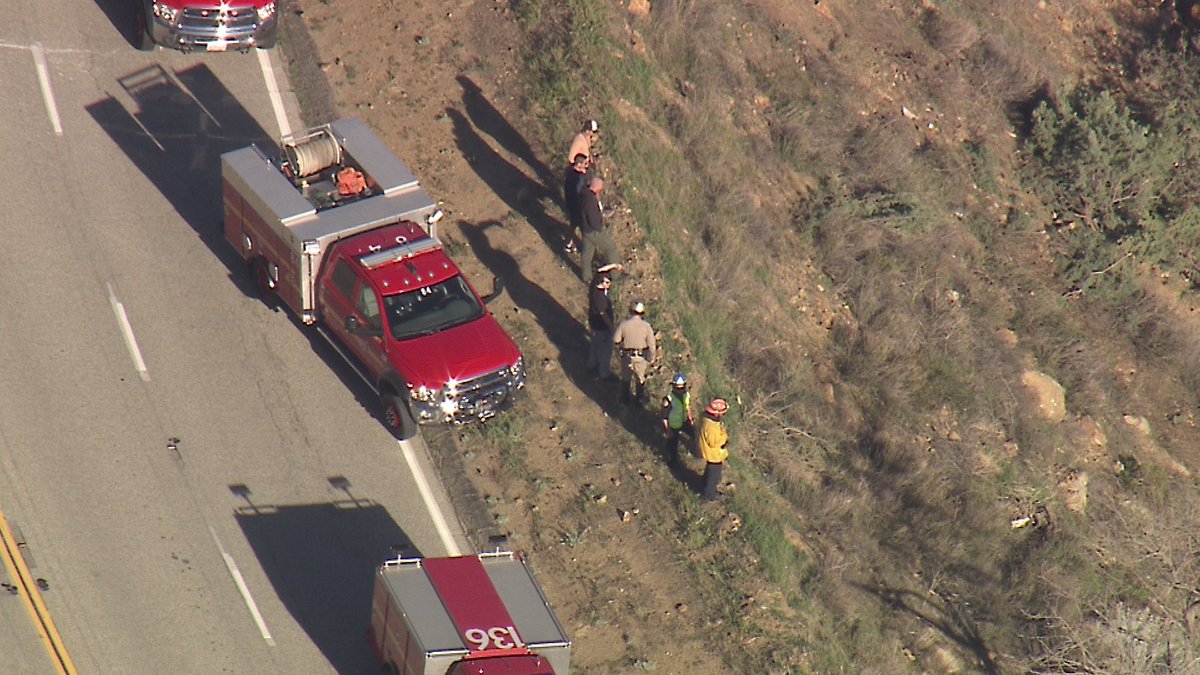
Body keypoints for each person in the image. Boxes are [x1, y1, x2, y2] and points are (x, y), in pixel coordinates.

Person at [612, 300, 656, 405]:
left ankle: (625, 398)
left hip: (627, 356)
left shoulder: (624, 324)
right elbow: (652, 344)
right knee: (640, 378)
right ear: (642, 313)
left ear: (630, 311)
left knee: (626, 377)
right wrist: (652, 356)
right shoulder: (646, 326)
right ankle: (639, 399)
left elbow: (616, 340)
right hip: (640, 357)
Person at [579, 177, 620, 285]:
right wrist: (600, 227)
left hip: (585, 228)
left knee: (587, 253)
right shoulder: (591, 202)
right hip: (593, 231)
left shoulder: (584, 193)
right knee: (611, 248)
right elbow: (594, 220)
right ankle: (616, 275)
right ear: (596, 188)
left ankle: (586, 277)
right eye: (600, 189)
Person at [697, 397, 730, 501]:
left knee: (710, 472)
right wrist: (724, 435)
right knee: (714, 476)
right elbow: (714, 442)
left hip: (711, 454)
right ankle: (709, 495)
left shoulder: (707, 420)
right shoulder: (711, 426)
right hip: (714, 454)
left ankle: (704, 485)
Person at [661, 374, 695, 468]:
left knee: (695, 435)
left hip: (684, 421)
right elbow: (664, 417)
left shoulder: (686, 395)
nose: (680, 390)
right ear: (673, 386)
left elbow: (687, 407)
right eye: (678, 388)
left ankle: (694, 451)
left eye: (682, 387)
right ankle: (672, 463)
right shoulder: (668, 399)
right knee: (673, 446)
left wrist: (690, 419)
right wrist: (668, 430)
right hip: (673, 425)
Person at [587, 273, 616, 380]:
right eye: (607, 282)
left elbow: (599, 272)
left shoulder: (594, 288)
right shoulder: (600, 297)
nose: (609, 284)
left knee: (594, 345)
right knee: (606, 351)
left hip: (595, 326)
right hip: (602, 327)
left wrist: (613, 265)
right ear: (601, 282)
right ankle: (604, 372)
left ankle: (591, 363)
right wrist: (612, 327)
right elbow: (603, 314)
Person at [561, 153, 590, 253]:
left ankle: (568, 242)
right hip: (576, 205)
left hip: (570, 202)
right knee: (577, 225)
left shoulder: (570, 172)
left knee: (573, 224)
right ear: (579, 165)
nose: (587, 166)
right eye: (585, 164)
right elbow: (580, 193)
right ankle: (569, 243)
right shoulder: (578, 179)